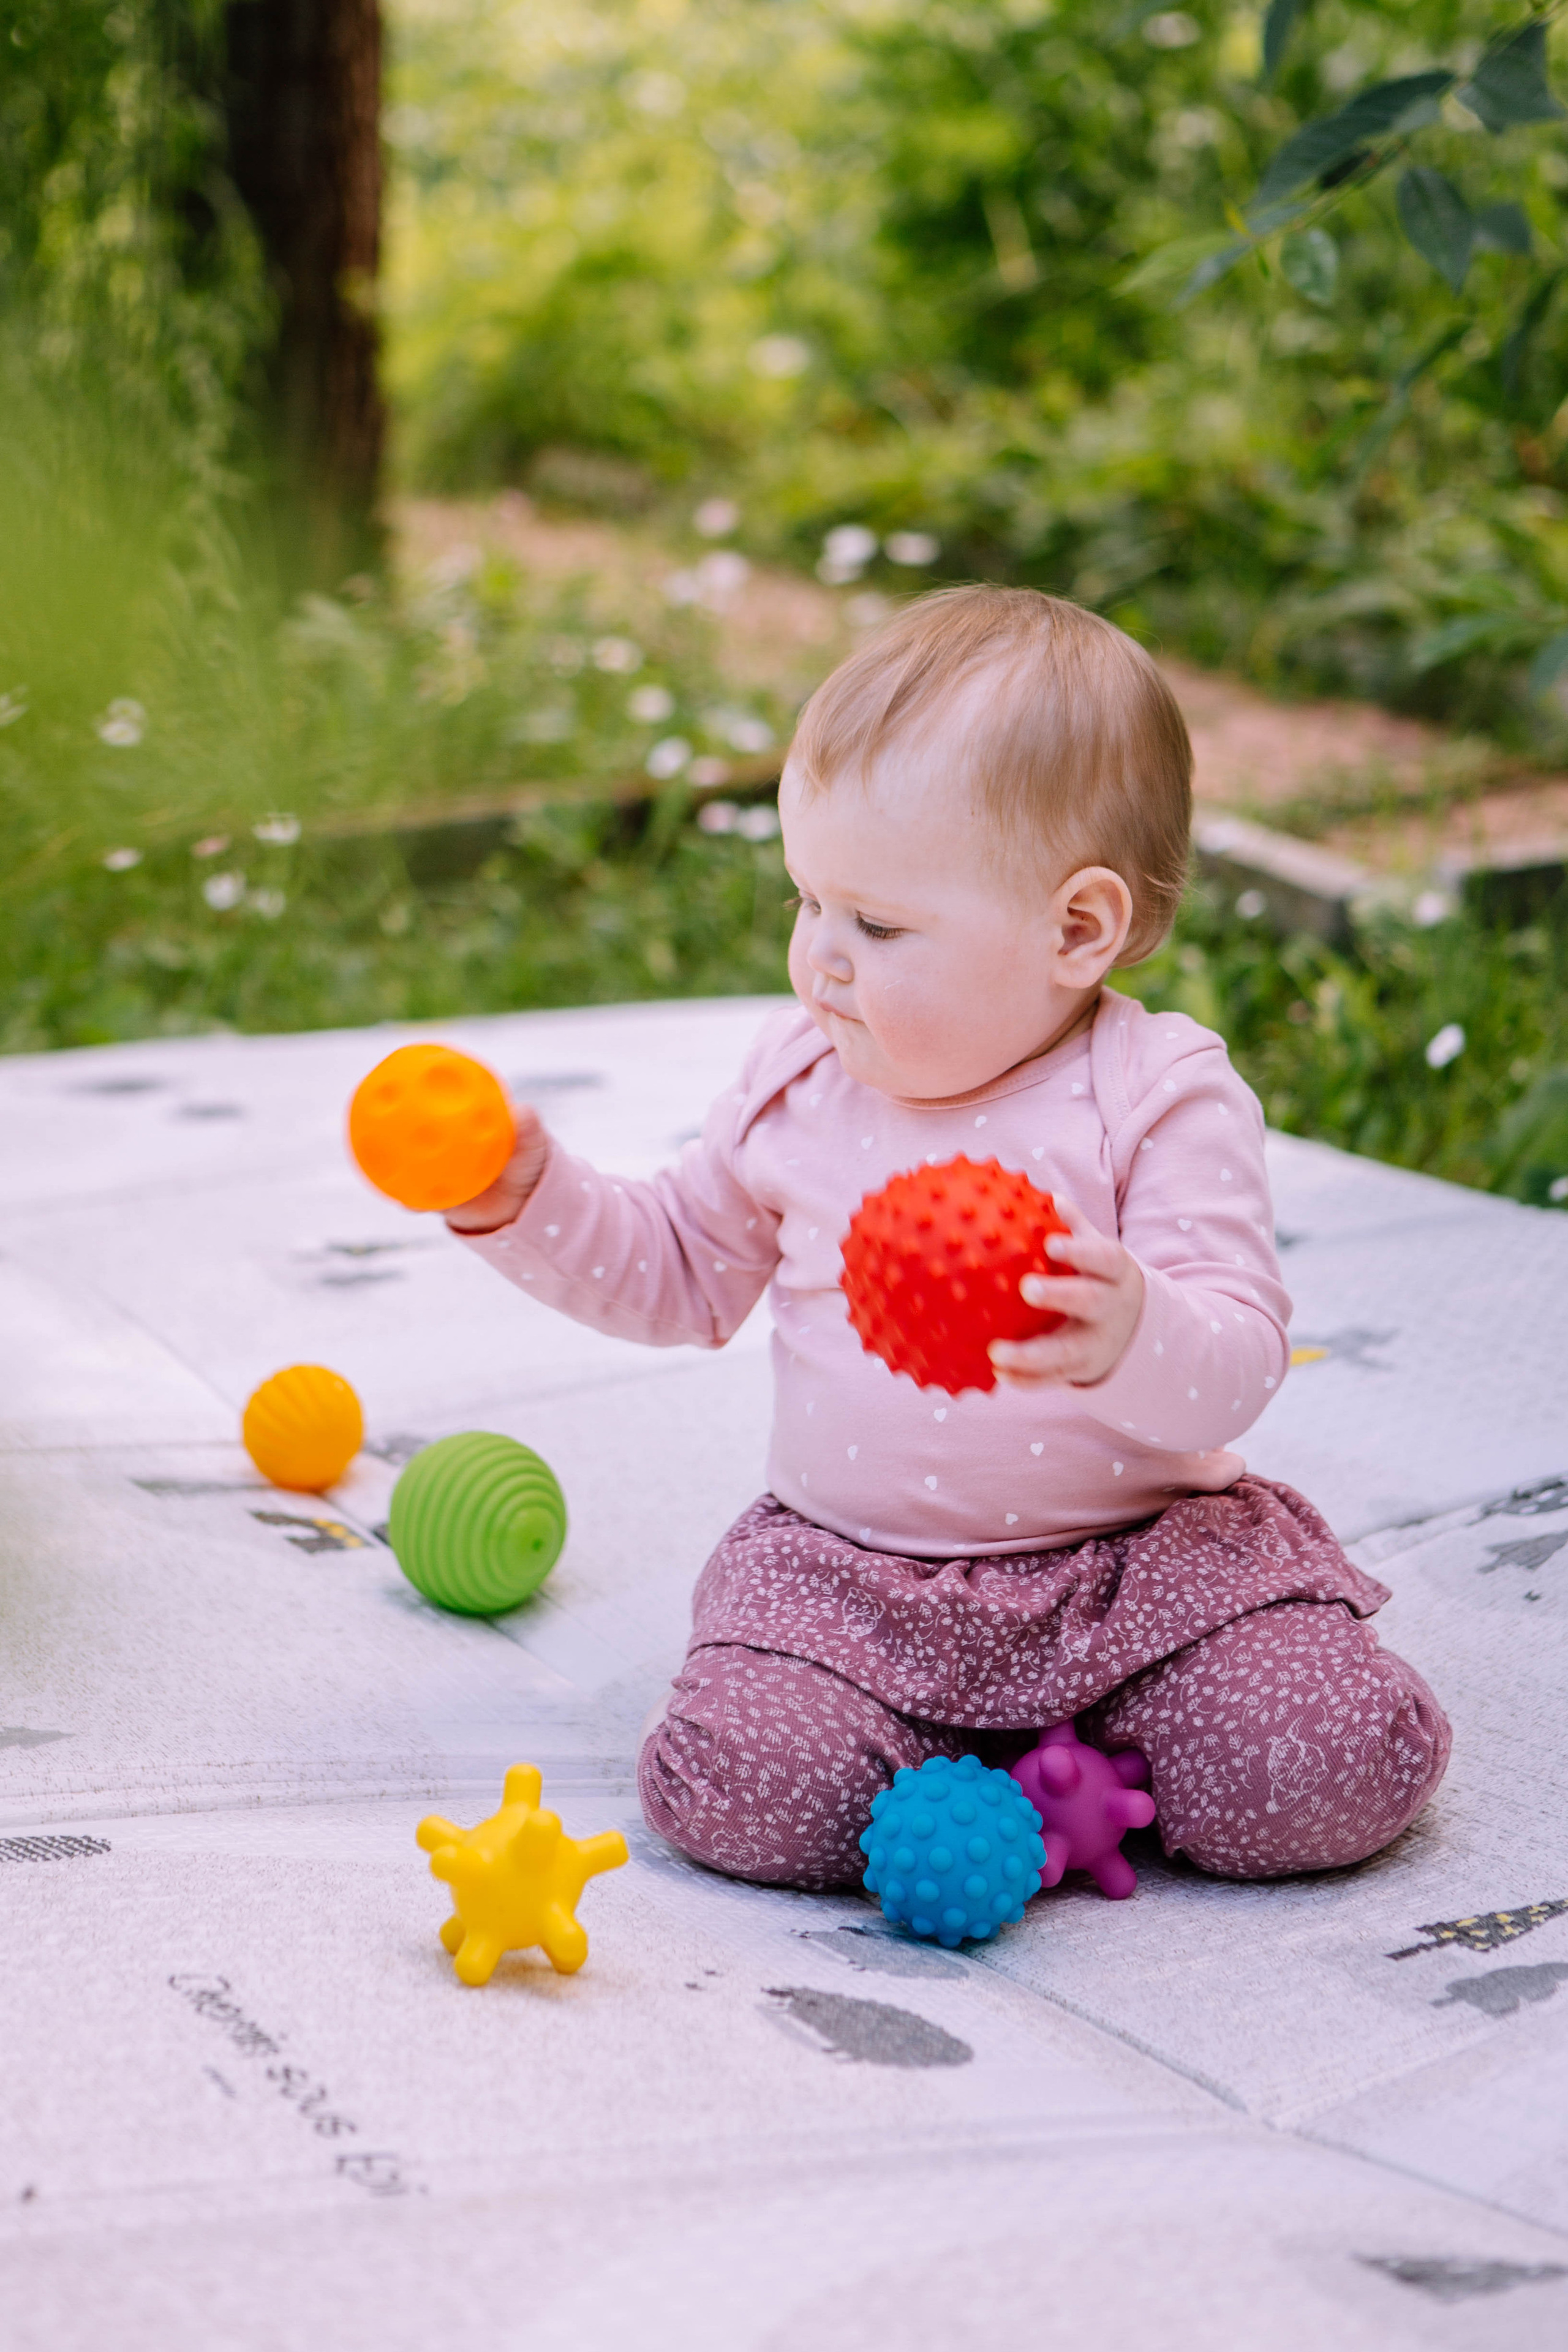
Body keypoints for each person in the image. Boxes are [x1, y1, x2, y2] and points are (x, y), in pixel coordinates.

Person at [447, 586, 1450, 1891]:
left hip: (1137, 1573)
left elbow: (1241, 1359)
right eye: (808, 901)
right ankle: (1007, 1782)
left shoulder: (1155, 1094)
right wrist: (525, 1197)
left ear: (1074, 931)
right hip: (851, 1581)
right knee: (738, 1794)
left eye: (874, 923)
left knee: (1318, 1770)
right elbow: (679, 1278)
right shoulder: (796, 1083)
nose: (819, 962)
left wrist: (1133, 1331)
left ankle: (1092, 1753)